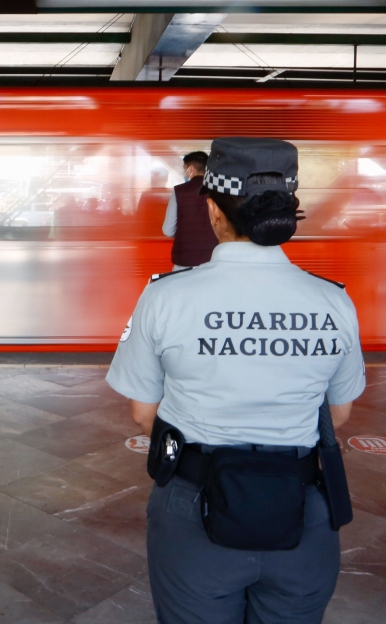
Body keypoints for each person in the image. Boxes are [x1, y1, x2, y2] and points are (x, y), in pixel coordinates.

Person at [107, 137, 365, 624]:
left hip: (194, 512)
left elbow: (144, 413)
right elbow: (340, 412)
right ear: (289, 210)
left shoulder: (166, 298)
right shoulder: (333, 301)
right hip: (304, 512)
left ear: (215, 212)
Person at [161, 150, 216, 269]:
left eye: (184, 168)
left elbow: (168, 230)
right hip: (214, 259)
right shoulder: (219, 191)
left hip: (185, 261)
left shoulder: (179, 192)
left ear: (191, 169)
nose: (184, 172)